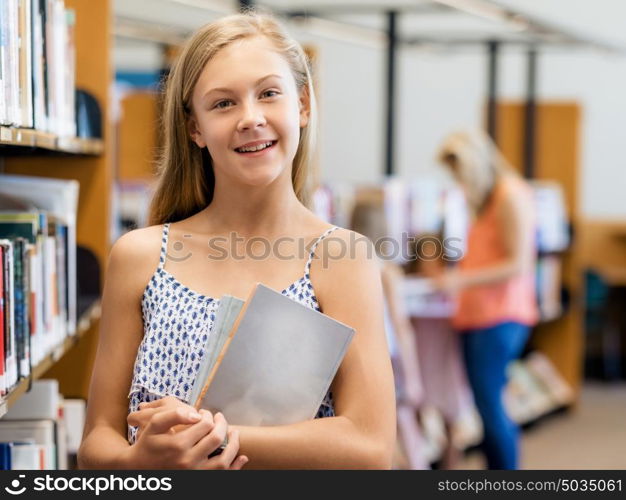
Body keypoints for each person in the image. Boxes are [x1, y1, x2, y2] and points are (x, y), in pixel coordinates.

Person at [78, 12, 396, 469]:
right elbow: (96, 442)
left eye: (269, 94)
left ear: (303, 106)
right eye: (223, 104)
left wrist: (204, 435)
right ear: (195, 129)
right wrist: (140, 462)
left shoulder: (341, 258)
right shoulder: (141, 256)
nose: (250, 119)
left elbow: (371, 447)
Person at [433, 129, 538, 470]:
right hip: (477, 314)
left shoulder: (510, 195)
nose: (459, 181)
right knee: (485, 405)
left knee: (491, 407)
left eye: (460, 172)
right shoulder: (484, 199)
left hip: (500, 316)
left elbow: (518, 263)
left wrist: (459, 279)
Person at [349, 195, 429, 470]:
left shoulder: (345, 266)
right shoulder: (387, 271)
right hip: (389, 360)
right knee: (406, 428)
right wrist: (415, 377)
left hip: (357, 360)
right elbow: (401, 327)